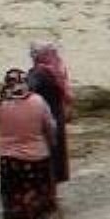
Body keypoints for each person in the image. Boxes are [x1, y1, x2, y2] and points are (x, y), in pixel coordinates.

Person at [0, 69, 57, 219]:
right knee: (40, 189)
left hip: (11, 158)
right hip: (38, 154)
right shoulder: (38, 101)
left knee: (15, 193)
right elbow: (50, 125)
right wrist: (52, 142)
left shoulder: (0, 105)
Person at [26, 41, 72, 184]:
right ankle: (58, 175)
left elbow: (27, 91)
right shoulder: (57, 69)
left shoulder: (39, 72)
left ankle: (48, 178)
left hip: (43, 114)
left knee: (46, 146)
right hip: (56, 112)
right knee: (57, 145)